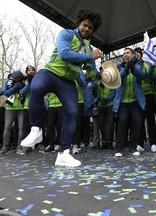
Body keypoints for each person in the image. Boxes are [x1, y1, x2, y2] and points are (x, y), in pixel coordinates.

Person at [20, 9, 102, 167]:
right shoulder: (66, 34)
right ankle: (36, 130)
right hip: (51, 73)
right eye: (84, 25)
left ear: (93, 31)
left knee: (72, 113)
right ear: (79, 24)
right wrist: (89, 57)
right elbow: (65, 54)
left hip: (68, 82)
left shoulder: (89, 48)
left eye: (90, 28)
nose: (86, 29)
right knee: (36, 86)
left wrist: (102, 76)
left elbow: (91, 69)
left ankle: (63, 153)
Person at [113, 48, 146, 157]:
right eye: (123, 54)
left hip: (136, 100)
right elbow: (118, 79)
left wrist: (133, 69)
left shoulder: (139, 66)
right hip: (122, 101)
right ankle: (119, 148)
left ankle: (133, 147)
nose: (125, 55)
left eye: (127, 53)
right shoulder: (119, 67)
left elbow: (142, 76)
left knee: (137, 122)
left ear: (133, 55)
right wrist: (126, 69)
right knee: (122, 122)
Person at [134, 47, 156, 152]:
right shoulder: (132, 65)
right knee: (139, 120)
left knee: (150, 119)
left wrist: (151, 69)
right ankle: (140, 143)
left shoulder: (148, 64)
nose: (136, 55)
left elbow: (153, 77)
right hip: (137, 96)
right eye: (134, 53)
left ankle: (153, 143)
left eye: (138, 53)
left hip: (148, 94)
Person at [0, 71, 25, 155]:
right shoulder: (8, 81)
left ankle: (19, 147)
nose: (18, 80)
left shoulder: (23, 82)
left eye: (19, 78)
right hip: (10, 107)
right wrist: (14, 88)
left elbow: (25, 93)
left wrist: (21, 86)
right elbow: (6, 93)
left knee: (21, 128)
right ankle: (5, 147)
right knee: (7, 127)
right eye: (16, 78)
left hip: (21, 107)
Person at [18, 65, 36, 155]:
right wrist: (28, 84)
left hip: (37, 107)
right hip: (27, 107)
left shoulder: (38, 80)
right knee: (26, 127)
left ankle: (38, 145)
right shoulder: (24, 81)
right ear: (27, 72)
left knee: (37, 127)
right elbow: (21, 92)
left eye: (32, 70)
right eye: (29, 70)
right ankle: (25, 146)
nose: (31, 71)